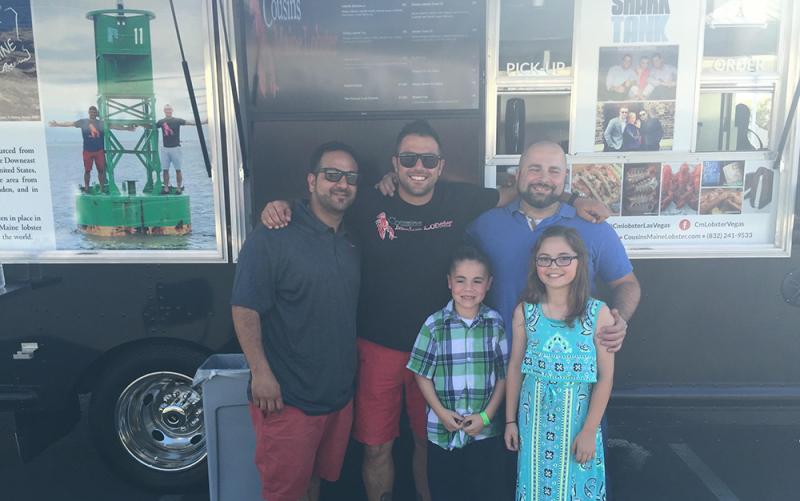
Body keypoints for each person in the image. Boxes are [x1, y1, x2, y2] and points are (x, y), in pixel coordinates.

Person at [260, 121, 609, 501]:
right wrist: (286, 205)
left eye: (428, 159)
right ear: (395, 163)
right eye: (409, 158)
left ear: (440, 165)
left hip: (442, 349)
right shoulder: (369, 201)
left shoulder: (459, 199)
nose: (418, 166)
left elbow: (525, 191)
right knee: (377, 447)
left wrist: (573, 200)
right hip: (378, 349)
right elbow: (329, 199)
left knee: (432, 444)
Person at [463, 141, 640, 499]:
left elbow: (627, 284)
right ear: (517, 175)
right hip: (503, 381)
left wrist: (619, 320)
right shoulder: (484, 224)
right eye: (535, 169)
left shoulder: (592, 228)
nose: (544, 178)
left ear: (566, 178)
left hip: (577, 390)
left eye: (554, 171)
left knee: (576, 478)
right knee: (507, 479)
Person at [231, 141, 361, 501]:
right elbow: (244, 308)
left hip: (337, 398)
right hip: (287, 400)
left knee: (315, 483)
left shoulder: (351, 239)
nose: (341, 184)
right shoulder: (272, 237)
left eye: (350, 177)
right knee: (284, 493)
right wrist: (260, 373)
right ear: (311, 180)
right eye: (331, 174)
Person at [504, 225, 614, 501]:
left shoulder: (597, 314)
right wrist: (510, 421)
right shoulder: (525, 311)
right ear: (536, 264)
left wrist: (590, 431)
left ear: (579, 261)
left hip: (579, 428)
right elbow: (515, 367)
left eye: (564, 257)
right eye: (545, 259)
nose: (554, 266)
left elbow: (605, 377)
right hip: (534, 429)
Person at [407, 245, 509, 501]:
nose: (468, 289)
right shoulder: (434, 325)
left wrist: (487, 417)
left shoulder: (495, 324)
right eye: (461, 280)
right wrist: (441, 413)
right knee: (444, 491)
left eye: (477, 281)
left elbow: (503, 375)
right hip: (443, 430)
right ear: (449, 282)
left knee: (479, 491)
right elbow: (421, 373)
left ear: (489, 284)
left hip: (483, 431)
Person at [48, 106, 133, 194]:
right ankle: (87, 189)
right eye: (91, 112)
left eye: (94, 112)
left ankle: (102, 189)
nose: (93, 113)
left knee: (101, 171)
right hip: (87, 150)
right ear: (89, 112)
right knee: (87, 171)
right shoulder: (83, 122)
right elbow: (70, 123)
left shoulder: (101, 123)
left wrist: (126, 128)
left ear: (96, 113)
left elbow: (113, 126)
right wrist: (57, 124)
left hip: (99, 150)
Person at [140, 104, 208, 195]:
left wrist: (203, 122)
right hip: (165, 148)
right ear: (164, 111)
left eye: (169, 109)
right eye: (166, 109)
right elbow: (152, 126)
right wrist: (140, 123)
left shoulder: (177, 120)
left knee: (178, 169)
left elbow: (191, 123)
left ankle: (178, 189)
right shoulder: (161, 122)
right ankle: (166, 189)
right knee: (165, 169)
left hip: (176, 148)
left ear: (172, 110)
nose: (168, 111)